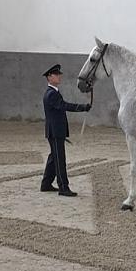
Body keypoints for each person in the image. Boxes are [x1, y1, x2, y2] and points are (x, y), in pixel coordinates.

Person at [40, 64, 91, 197]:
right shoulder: (51, 94)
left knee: (54, 157)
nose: (59, 76)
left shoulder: (53, 92)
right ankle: (63, 187)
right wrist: (82, 107)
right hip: (55, 132)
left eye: (59, 74)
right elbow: (63, 106)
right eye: (56, 74)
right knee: (59, 160)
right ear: (49, 77)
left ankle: (46, 184)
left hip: (56, 131)